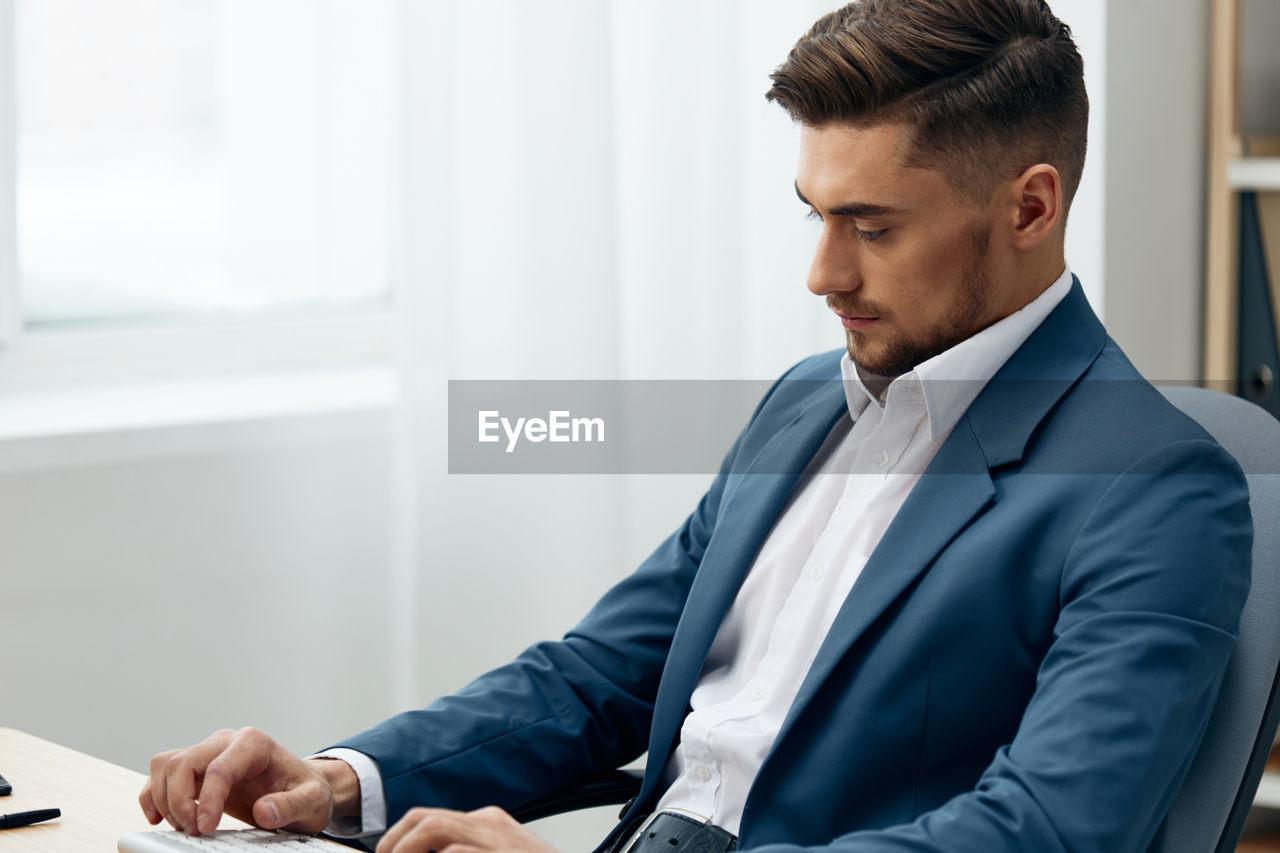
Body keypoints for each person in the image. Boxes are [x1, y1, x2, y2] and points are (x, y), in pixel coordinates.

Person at [139, 1, 1253, 851]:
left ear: (1028, 206)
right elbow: (594, 678)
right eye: (814, 216)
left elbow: (1045, 830)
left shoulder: (1157, 488)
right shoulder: (801, 404)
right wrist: (338, 780)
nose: (820, 274)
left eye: (870, 226)